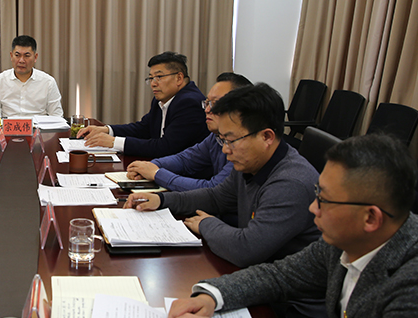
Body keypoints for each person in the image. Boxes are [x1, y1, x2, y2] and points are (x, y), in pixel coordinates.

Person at [166, 134, 418, 318]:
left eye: (324, 200)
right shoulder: (349, 239)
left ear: (370, 218)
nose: (312, 208)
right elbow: (280, 276)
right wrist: (212, 295)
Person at [125, 83, 320, 268]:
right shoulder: (250, 162)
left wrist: (206, 224)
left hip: (285, 286)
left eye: (231, 140)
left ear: (266, 137)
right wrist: (161, 200)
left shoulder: (290, 183)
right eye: (223, 139)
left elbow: (246, 250)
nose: (225, 150)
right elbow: (216, 197)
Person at [126, 72, 252, 191]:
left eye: (216, 104)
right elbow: (185, 160)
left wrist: (156, 173)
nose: (207, 110)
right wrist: (151, 166)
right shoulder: (215, 137)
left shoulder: (244, 144)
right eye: (207, 103)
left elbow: (214, 189)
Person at [78, 51, 208, 158]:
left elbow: (166, 147)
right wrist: (107, 130)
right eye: (151, 78)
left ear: (179, 78)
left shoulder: (190, 103)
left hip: (185, 173)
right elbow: (143, 128)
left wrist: (114, 142)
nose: (153, 84)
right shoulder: (162, 99)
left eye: (159, 77)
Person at [0, 35, 64, 117]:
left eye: (27, 56)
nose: (21, 60)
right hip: (8, 125)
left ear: (35, 57)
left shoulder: (48, 82)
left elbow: (56, 116)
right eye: (17, 55)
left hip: (38, 125)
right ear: (11, 56)